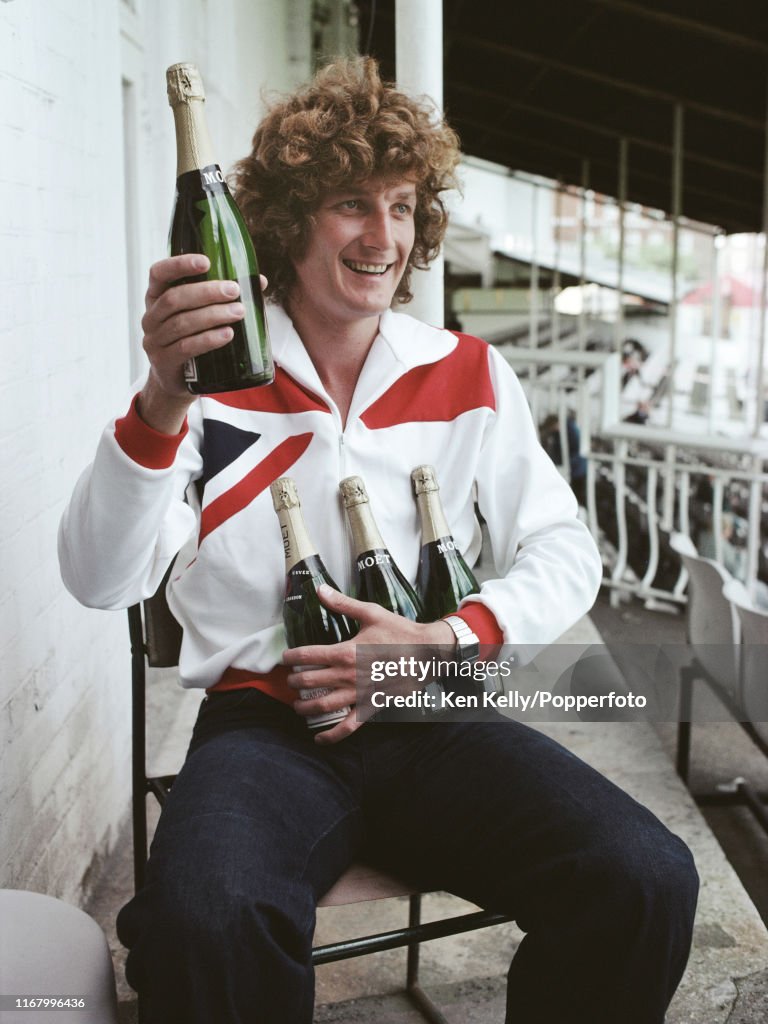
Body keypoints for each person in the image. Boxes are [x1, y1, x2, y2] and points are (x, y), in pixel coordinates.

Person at [59, 58, 697, 1024]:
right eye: (352, 203)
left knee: (643, 877)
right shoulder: (209, 379)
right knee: (203, 923)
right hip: (264, 734)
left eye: (402, 206)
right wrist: (158, 401)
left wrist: (448, 640)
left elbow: (567, 549)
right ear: (283, 221)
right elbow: (98, 580)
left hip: (431, 714)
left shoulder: (467, 373)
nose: (385, 236)